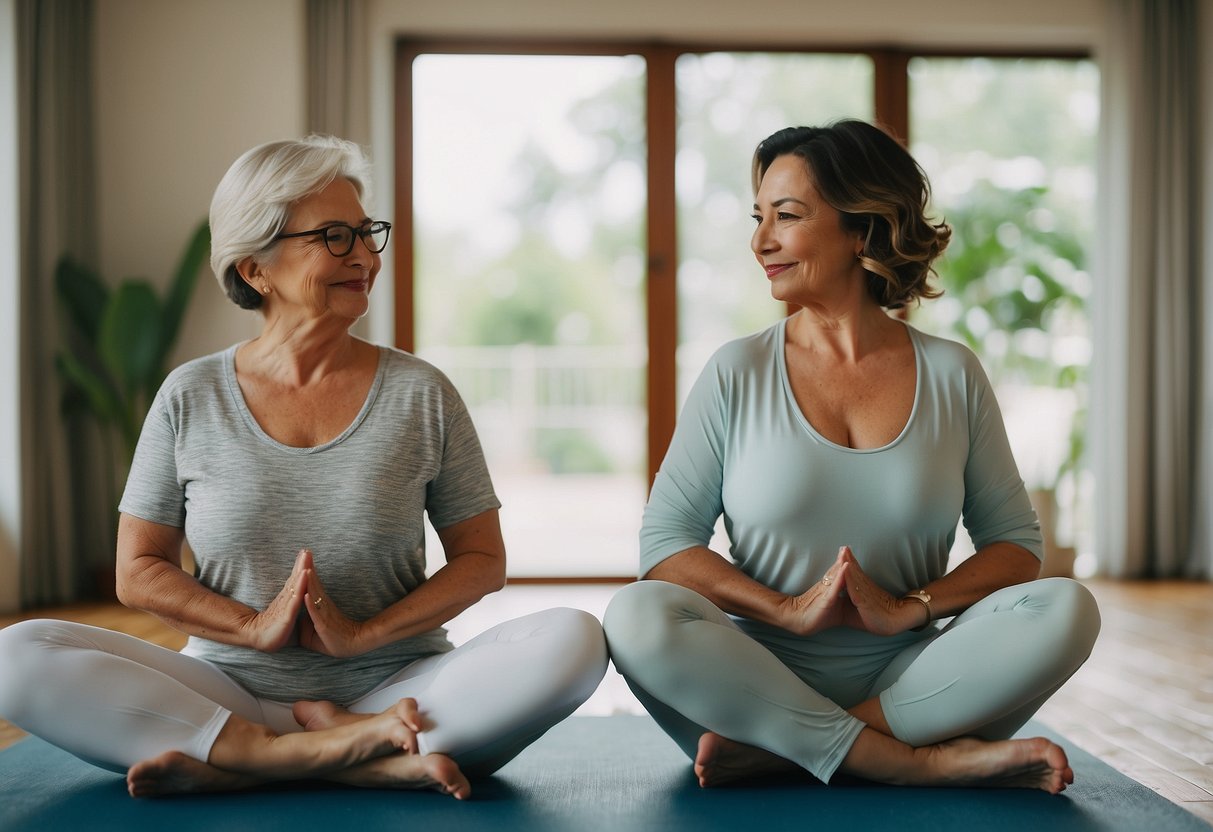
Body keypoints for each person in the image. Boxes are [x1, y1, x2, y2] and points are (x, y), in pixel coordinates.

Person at [0, 136, 607, 800]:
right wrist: (251, 628)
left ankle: (256, 761)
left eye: (367, 233)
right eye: (336, 237)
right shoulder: (190, 394)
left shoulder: (421, 392)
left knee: (574, 639)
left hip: (397, 690)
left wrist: (362, 636)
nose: (367, 256)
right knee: (15, 655)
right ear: (256, 268)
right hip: (223, 690)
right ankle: (338, 756)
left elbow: (482, 559)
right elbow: (137, 570)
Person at [603, 120, 1100, 794]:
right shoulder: (736, 371)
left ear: (861, 229)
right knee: (638, 614)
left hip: (916, 685)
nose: (760, 241)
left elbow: (1014, 546)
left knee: (1067, 608)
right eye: (758, 218)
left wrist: (912, 609)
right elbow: (664, 545)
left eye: (786, 216)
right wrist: (780, 611)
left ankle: (796, 751)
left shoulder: (951, 374)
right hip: (751, 685)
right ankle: (908, 760)